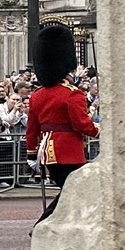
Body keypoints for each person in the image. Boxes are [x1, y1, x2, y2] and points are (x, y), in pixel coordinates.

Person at [27, 23, 98, 222]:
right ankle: (43, 225)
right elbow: (82, 125)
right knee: (74, 191)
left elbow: (32, 129)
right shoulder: (73, 94)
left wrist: (31, 153)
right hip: (69, 151)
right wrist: (103, 130)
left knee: (70, 191)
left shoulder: (37, 95)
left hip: (47, 152)